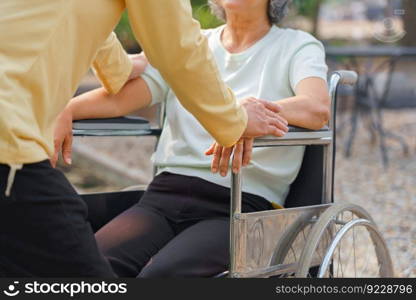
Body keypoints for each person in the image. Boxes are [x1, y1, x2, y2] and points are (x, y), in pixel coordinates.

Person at [0, 0, 283, 277]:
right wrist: (237, 120)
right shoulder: (207, 41)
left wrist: (119, 68)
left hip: (238, 202)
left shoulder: (292, 46)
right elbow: (178, 52)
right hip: (9, 140)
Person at [53, 0, 330, 277]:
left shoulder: (297, 45)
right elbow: (121, 100)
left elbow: (317, 108)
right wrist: (67, 109)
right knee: (93, 269)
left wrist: (249, 117)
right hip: (164, 196)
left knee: (161, 277)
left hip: (239, 207)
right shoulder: (191, 46)